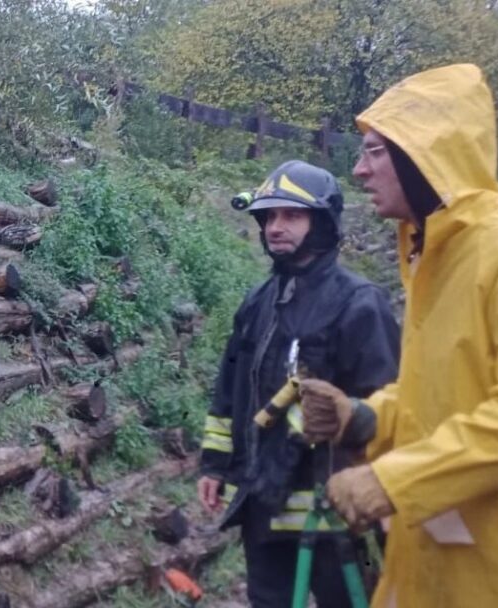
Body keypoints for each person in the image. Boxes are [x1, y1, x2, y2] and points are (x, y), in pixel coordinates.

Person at [298, 63, 498, 607]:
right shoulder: (430, 251)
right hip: (430, 559)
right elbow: (443, 393)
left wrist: (396, 481)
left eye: (374, 151)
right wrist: (366, 416)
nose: (359, 170)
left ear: (428, 150)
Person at [196, 160, 400, 607]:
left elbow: (389, 406)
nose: (275, 227)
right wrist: (215, 464)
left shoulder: (360, 304)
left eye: (291, 215)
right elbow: (231, 389)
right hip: (263, 506)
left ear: (322, 223)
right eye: (269, 216)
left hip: (340, 518)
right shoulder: (258, 302)